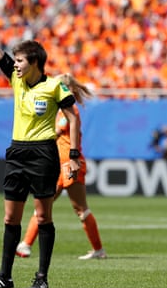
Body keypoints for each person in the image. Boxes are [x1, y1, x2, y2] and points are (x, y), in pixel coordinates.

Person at [0, 2, 80, 288]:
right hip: (17, 152)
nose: (15, 65)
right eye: (14, 61)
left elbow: (73, 116)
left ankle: (41, 277)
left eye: (20, 61)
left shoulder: (53, 86)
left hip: (43, 153)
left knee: (43, 216)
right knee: (10, 217)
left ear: (35, 63)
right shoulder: (16, 82)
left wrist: (75, 154)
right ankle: (5, 276)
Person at [16, 74, 107, 260]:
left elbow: (55, 131)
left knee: (80, 208)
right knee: (44, 203)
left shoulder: (67, 110)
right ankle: (25, 244)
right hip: (58, 164)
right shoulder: (62, 110)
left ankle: (98, 250)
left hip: (69, 163)